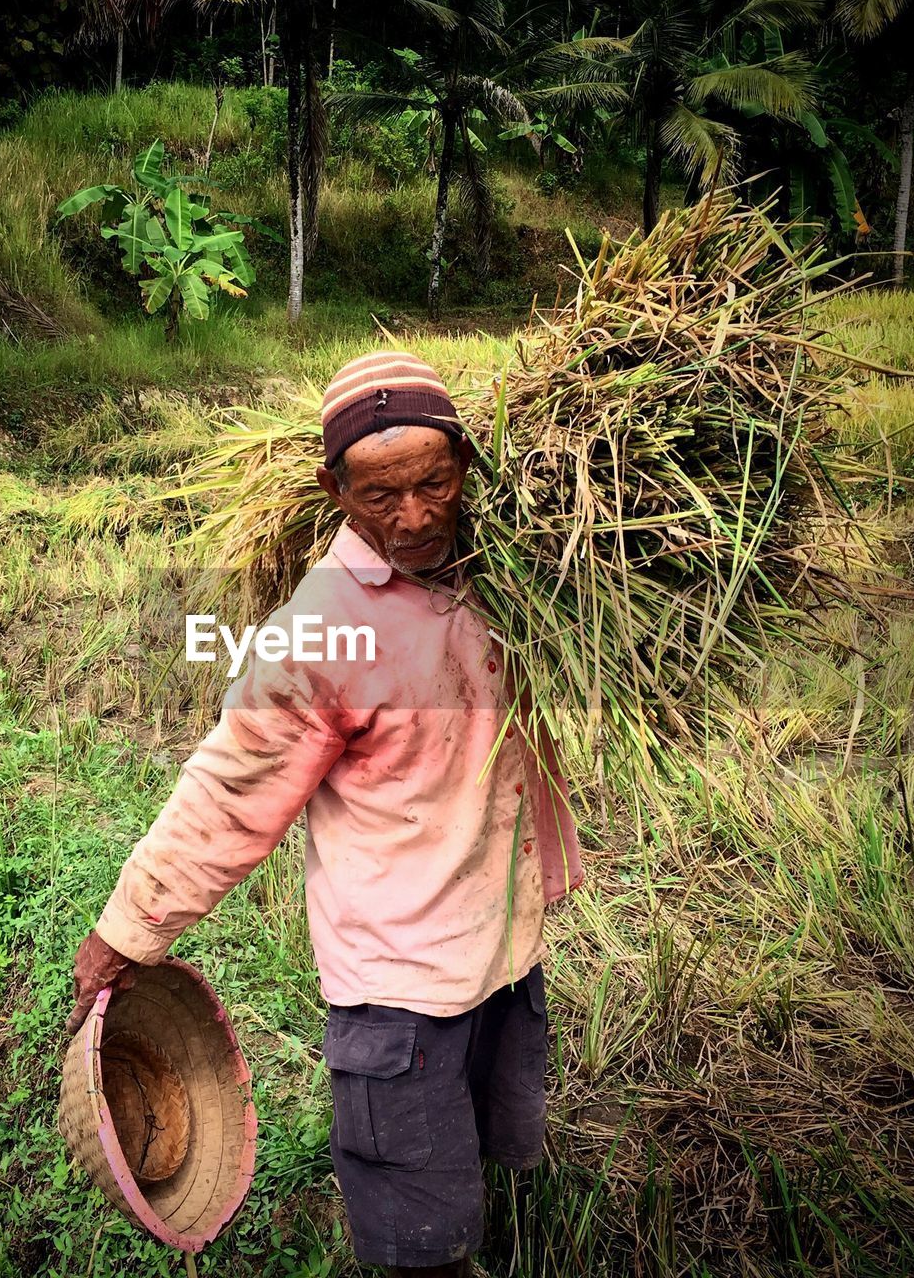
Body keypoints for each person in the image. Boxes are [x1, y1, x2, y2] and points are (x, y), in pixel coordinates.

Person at [65, 350, 585, 1277]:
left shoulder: (504, 570)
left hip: (505, 956)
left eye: (435, 482)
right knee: (423, 1247)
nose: (417, 516)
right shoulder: (320, 631)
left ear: (469, 465)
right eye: (383, 497)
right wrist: (127, 929)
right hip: (401, 995)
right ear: (333, 491)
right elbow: (228, 794)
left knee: (487, 1173)